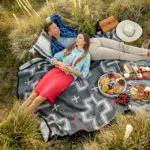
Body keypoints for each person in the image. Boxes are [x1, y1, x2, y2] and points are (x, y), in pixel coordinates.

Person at [22, 33, 90, 111]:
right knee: (32, 95)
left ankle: (23, 116)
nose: (77, 39)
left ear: (85, 42)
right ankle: (16, 114)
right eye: (77, 37)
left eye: (80, 38)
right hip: (56, 72)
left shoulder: (86, 56)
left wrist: (72, 70)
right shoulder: (70, 49)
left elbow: (84, 74)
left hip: (67, 77)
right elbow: (53, 59)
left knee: (38, 99)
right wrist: (60, 63)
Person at [43, 19, 150, 61]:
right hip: (89, 51)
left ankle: (146, 52)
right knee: (120, 54)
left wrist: (48, 21)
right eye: (54, 28)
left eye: (56, 26)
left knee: (122, 46)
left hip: (94, 40)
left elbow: (55, 17)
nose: (57, 28)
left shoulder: (64, 31)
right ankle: (145, 58)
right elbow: (59, 58)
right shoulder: (55, 46)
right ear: (50, 33)